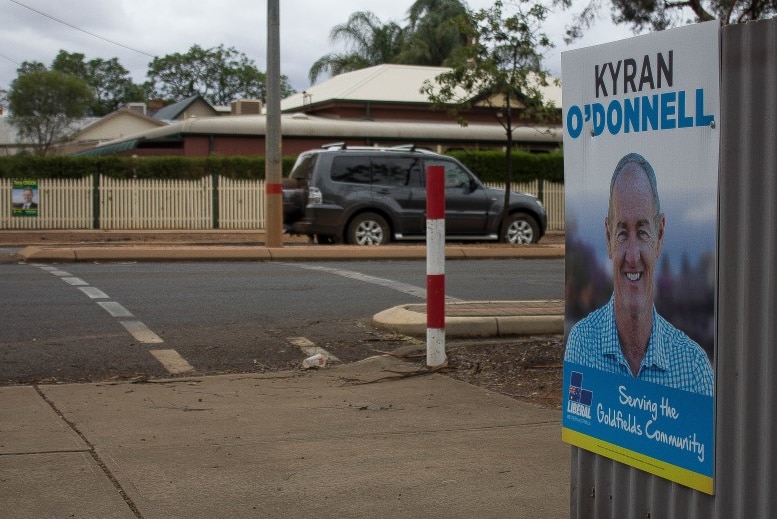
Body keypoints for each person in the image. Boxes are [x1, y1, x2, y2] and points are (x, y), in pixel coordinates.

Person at [564, 153, 714, 396]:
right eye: (622, 233)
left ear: (660, 235)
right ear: (608, 237)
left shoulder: (694, 368)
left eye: (643, 232)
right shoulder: (581, 345)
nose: (632, 257)